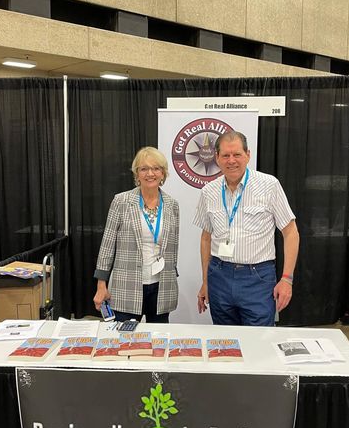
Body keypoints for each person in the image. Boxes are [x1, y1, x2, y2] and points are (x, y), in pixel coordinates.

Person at [193, 131, 299, 326]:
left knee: (259, 342)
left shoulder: (269, 185)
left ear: (248, 155)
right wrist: (206, 282)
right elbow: (206, 238)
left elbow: (291, 232)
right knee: (224, 345)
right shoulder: (209, 191)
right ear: (217, 158)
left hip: (257, 278)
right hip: (219, 275)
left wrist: (287, 279)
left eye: (237, 155)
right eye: (225, 155)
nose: (231, 160)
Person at [93, 147, 179, 323]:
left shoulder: (172, 205)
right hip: (127, 286)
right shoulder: (121, 201)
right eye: (144, 168)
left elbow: (173, 247)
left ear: (163, 173)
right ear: (137, 174)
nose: (150, 173)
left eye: (156, 168)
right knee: (124, 343)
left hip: (161, 288)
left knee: (158, 342)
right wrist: (101, 285)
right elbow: (107, 245)